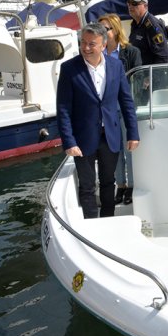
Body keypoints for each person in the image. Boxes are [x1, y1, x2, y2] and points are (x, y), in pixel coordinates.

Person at [56, 22, 140, 218]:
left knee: (108, 182)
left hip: (110, 135)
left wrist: (132, 133)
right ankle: (91, 225)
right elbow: (63, 109)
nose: (85, 47)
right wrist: (69, 141)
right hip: (83, 138)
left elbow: (126, 101)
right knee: (86, 186)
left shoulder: (116, 65)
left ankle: (108, 220)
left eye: (91, 44)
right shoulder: (69, 69)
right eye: (83, 42)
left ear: (103, 45)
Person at [99, 13, 142, 206]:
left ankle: (132, 185)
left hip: (126, 107)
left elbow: (139, 79)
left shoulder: (130, 52)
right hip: (107, 110)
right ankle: (121, 185)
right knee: (113, 149)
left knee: (130, 148)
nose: (102, 32)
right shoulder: (97, 56)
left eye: (105, 29)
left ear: (116, 30)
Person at [126, 0, 168, 65]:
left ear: (145, 6)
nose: (130, 6)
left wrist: (152, 76)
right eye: (129, 3)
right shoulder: (135, 23)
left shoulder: (152, 25)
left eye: (134, 3)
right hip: (137, 73)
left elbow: (163, 56)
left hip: (149, 73)